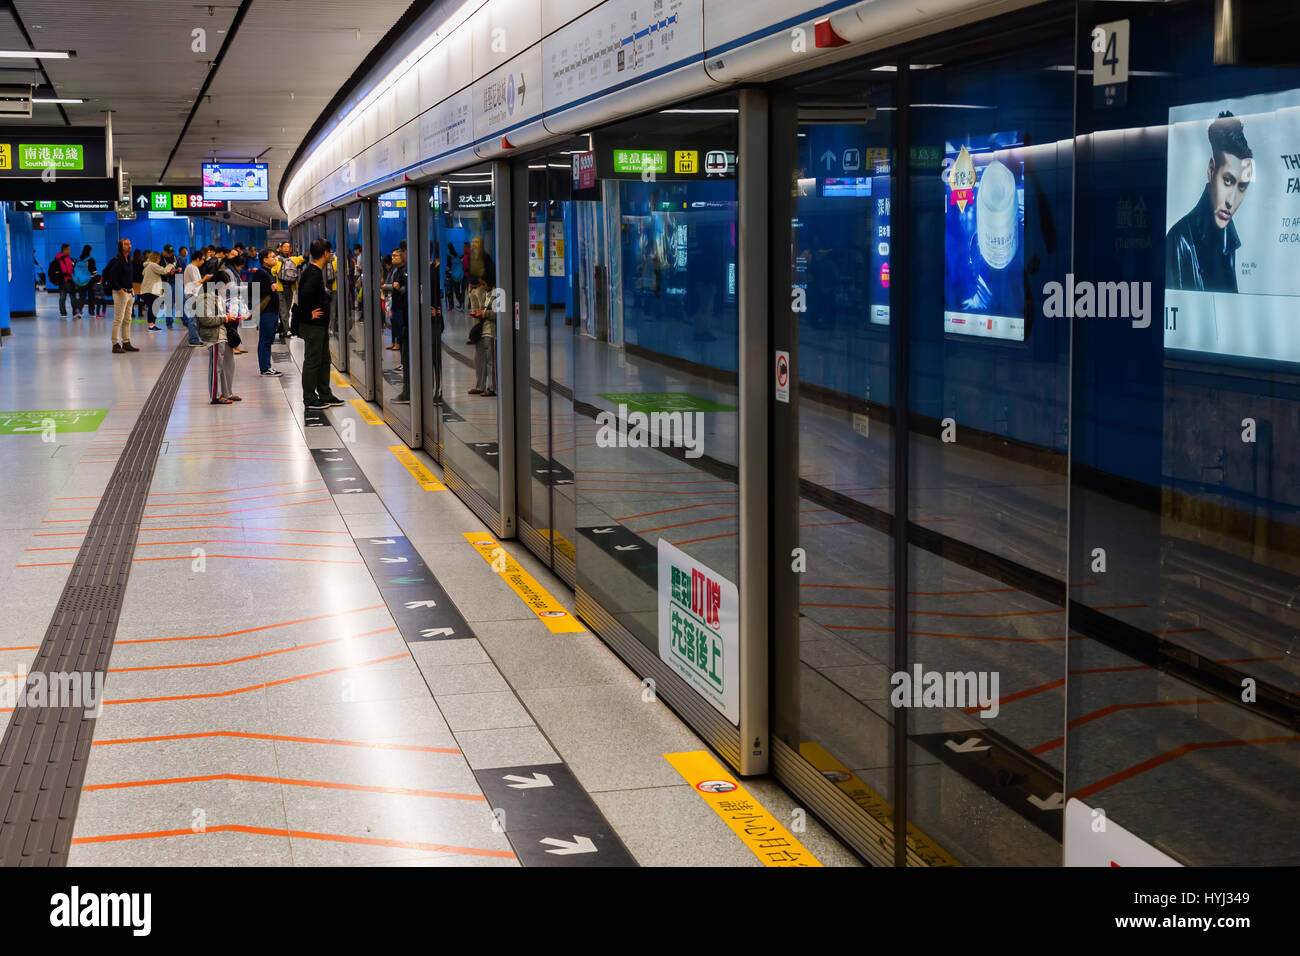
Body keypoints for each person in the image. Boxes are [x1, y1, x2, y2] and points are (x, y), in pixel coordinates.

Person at [1166, 111, 1254, 294]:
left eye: (1242, 187)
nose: (1231, 201)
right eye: (1228, 181)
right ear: (1211, 170)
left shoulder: (1229, 242)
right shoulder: (1179, 239)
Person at [296, 238, 344, 410]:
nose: (331, 255)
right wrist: (309, 313)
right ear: (325, 253)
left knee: (324, 359)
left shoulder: (313, 271)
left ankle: (325, 393)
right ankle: (309, 397)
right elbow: (304, 296)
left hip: (319, 325)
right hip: (313, 325)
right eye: (330, 252)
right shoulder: (314, 274)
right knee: (313, 360)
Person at [195, 258, 238, 404]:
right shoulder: (204, 298)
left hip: (223, 334)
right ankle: (215, 395)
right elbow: (206, 320)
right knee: (216, 367)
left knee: (228, 365)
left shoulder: (217, 297)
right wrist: (225, 319)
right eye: (224, 286)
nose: (225, 289)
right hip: (213, 336)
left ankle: (227, 392)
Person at [251, 249, 282, 376]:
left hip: (272, 312)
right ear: (265, 259)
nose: (275, 259)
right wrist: (269, 289)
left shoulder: (269, 273)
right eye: (273, 257)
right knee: (265, 340)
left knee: (269, 340)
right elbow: (253, 290)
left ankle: (267, 366)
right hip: (266, 312)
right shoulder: (260, 273)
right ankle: (264, 368)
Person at [103, 239, 137, 353]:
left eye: (130, 244)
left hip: (129, 293)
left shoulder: (128, 260)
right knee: (118, 319)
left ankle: (126, 342)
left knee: (128, 319)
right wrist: (119, 289)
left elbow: (127, 277)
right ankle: (115, 344)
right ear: (121, 247)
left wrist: (131, 288)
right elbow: (111, 277)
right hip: (120, 293)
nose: (129, 246)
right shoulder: (117, 261)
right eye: (126, 244)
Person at [467, 275, 496, 397]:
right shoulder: (486, 294)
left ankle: (492, 387)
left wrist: (484, 313)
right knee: (478, 359)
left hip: (491, 331)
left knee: (490, 361)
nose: (482, 287)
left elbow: (499, 314)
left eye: (484, 284)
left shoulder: (498, 294)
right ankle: (480, 385)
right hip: (482, 330)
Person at [273, 240, 303, 342]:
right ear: (280, 248)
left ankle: (282, 329)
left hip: (290, 287)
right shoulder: (276, 260)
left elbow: (304, 259)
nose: (286, 248)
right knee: (283, 310)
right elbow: (272, 272)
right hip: (280, 288)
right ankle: (286, 329)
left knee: (286, 309)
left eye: (288, 247)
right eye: (284, 246)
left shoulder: (294, 259)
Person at [141, 252, 177, 331]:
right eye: (159, 258)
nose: (159, 260)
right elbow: (164, 271)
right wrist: (171, 265)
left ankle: (152, 325)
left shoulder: (147, 266)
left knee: (153, 308)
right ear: (156, 258)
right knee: (153, 308)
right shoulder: (153, 265)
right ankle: (151, 326)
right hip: (151, 291)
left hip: (147, 290)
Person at [182, 246, 208, 347]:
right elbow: (195, 283)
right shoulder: (191, 268)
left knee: (196, 318)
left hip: (195, 295)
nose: (203, 261)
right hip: (192, 295)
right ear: (197, 259)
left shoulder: (194, 268)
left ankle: (196, 337)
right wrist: (205, 278)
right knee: (193, 318)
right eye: (203, 259)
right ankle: (193, 339)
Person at [51, 244, 75, 317]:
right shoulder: (65, 260)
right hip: (67, 281)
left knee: (63, 297)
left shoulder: (61, 259)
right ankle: (72, 312)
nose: (70, 251)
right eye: (68, 249)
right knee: (71, 297)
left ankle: (64, 312)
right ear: (64, 250)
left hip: (65, 281)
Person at [71, 245, 94, 318]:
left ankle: (79, 310)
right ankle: (91, 312)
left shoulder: (78, 259)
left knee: (82, 296)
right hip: (89, 280)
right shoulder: (91, 259)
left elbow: (74, 269)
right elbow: (94, 271)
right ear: (89, 251)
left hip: (80, 281)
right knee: (91, 296)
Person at [446, 242, 464, 310]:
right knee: (457, 292)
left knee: (450, 292)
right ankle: (461, 304)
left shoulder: (449, 256)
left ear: (448, 248)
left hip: (451, 276)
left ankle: (451, 306)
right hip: (458, 276)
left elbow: (448, 266)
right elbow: (462, 257)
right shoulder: (457, 255)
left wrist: (446, 272)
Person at [130, 248, 145, 318]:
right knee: (140, 299)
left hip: (132, 282)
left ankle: (132, 313)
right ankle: (140, 313)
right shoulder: (143, 262)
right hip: (140, 282)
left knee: (132, 299)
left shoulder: (131, 262)